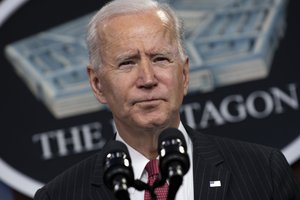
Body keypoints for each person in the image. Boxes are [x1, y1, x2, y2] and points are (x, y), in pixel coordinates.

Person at [34, 0, 300, 199]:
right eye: (127, 62)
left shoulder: (263, 171)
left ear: (184, 74)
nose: (148, 78)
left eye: (160, 58)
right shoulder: (59, 196)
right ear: (97, 84)